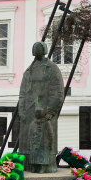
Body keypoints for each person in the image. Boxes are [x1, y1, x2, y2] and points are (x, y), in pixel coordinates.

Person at [18, 42, 64, 173]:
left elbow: (58, 92)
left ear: (44, 50)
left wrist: (51, 111)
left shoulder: (52, 68)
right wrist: (21, 110)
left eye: (39, 48)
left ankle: (45, 166)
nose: (37, 50)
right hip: (28, 112)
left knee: (45, 141)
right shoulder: (29, 70)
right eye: (35, 48)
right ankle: (29, 166)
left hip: (45, 112)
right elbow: (22, 93)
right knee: (28, 141)